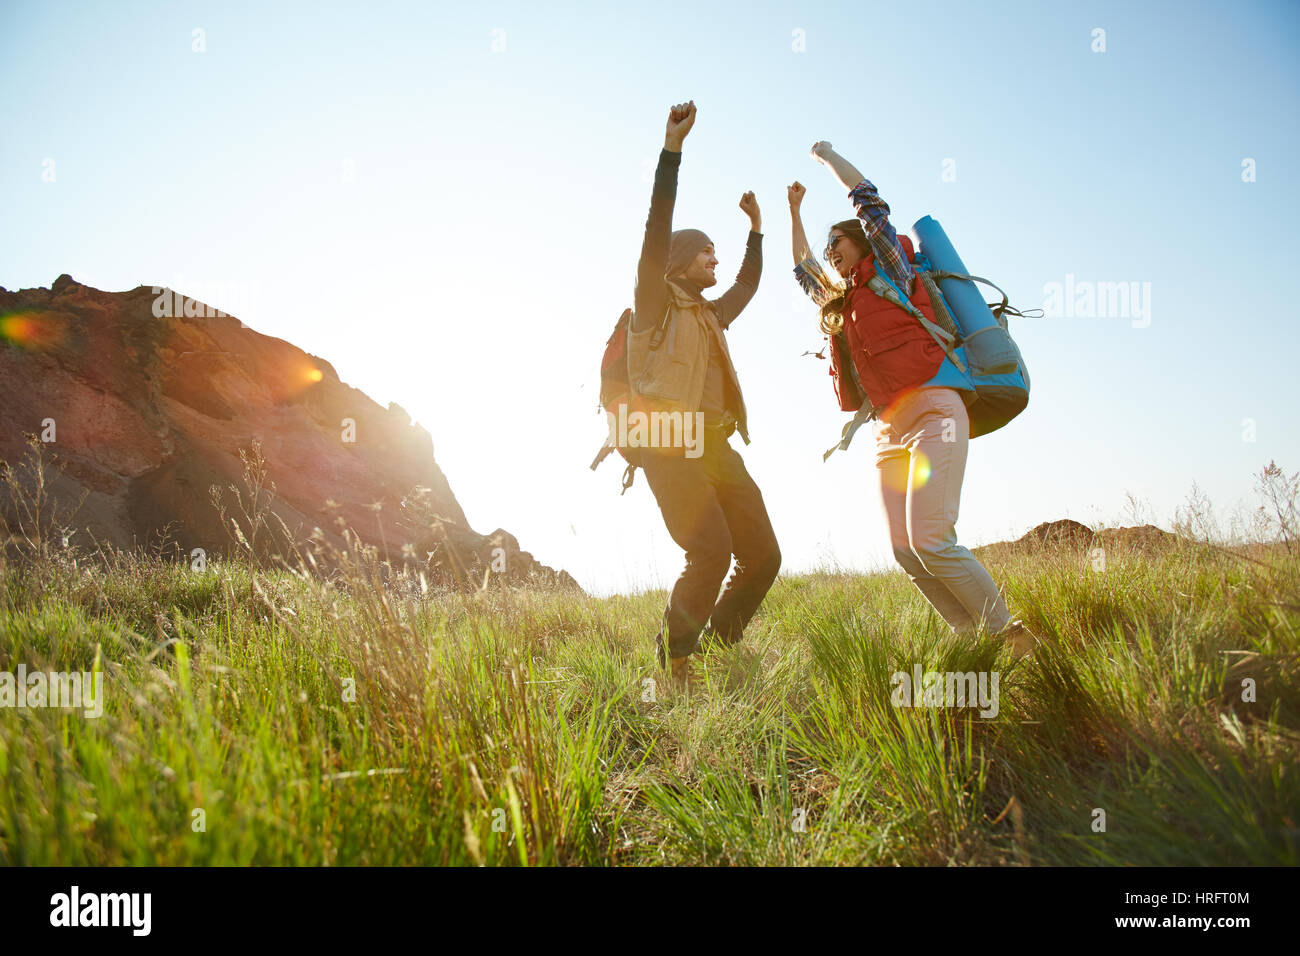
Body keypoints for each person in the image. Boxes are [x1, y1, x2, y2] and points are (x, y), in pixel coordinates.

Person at [788, 141, 1035, 657]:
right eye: (827, 244)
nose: (830, 250)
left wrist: (827, 155)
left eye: (837, 241)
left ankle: (1008, 636)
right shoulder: (843, 301)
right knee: (904, 551)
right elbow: (804, 273)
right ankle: (968, 640)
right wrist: (792, 212)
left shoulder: (892, 272)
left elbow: (867, 198)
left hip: (934, 413)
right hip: (888, 429)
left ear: (863, 242)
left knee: (932, 541)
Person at [629, 101, 781, 686]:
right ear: (679, 260)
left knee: (764, 557)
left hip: (717, 448)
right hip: (669, 444)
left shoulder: (713, 315)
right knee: (711, 551)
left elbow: (748, 282)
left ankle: (717, 650)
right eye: (706, 250)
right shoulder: (653, 302)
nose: (714, 258)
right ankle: (676, 663)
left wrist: (757, 231)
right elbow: (656, 229)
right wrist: (672, 150)